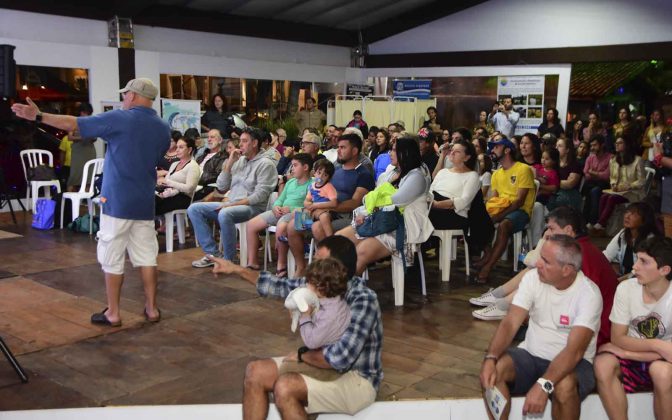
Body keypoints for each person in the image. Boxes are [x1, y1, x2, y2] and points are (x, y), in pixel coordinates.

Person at [12, 77, 170, 326]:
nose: (123, 99)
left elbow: (73, 123)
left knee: (111, 255)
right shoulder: (163, 127)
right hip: (144, 201)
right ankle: (152, 309)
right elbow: (157, 157)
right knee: (147, 256)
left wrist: (39, 116)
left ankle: (114, 312)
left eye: (125, 94)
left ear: (133, 95)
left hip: (117, 200)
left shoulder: (119, 118)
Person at [208, 235, 382, 419]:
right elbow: (278, 285)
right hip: (323, 366)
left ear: (338, 269)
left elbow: (340, 358)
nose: (312, 267)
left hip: (357, 379)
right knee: (255, 372)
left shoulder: (363, 299)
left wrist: (301, 355)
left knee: (285, 387)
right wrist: (236, 269)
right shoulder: (320, 281)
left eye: (318, 262)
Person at [479, 234, 603, 420]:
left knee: (564, 385)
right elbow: (510, 322)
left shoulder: (588, 295)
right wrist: (491, 357)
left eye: (546, 261)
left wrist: (544, 384)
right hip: (531, 355)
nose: (538, 263)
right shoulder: (532, 278)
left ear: (567, 270)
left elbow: (574, 352)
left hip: (574, 364)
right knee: (495, 371)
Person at [471, 207, 619, 350]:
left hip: (592, 333)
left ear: (568, 230)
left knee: (539, 278)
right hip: (588, 325)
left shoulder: (580, 255)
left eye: (552, 228)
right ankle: (502, 303)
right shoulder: (579, 248)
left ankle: (504, 306)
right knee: (538, 273)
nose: (547, 233)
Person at [594, 236, 672, 420]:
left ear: (664, 270)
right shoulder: (626, 288)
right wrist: (659, 346)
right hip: (641, 355)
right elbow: (618, 338)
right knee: (603, 364)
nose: (635, 267)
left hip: (656, 361)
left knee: (661, 372)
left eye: (644, 261)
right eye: (637, 259)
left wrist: (629, 353)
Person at [336, 137, 431, 275]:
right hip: (380, 222)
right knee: (338, 241)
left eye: (394, 150)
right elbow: (373, 198)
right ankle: (333, 285)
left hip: (400, 229)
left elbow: (395, 200)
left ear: (406, 153)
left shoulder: (417, 176)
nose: (389, 153)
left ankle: (343, 290)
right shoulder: (393, 173)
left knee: (360, 253)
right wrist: (365, 211)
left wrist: (373, 203)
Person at [287, 134, 374, 277]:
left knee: (317, 227)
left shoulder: (363, 174)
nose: (338, 150)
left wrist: (325, 207)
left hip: (347, 216)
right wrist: (313, 205)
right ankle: (301, 267)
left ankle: (332, 271)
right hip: (322, 211)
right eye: (338, 147)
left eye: (343, 147)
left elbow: (355, 203)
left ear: (354, 151)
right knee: (292, 226)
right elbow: (320, 190)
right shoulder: (335, 170)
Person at [189, 127, 277, 267]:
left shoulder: (266, 164)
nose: (240, 145)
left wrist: (232, 205)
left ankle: (229, 260)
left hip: (253, 208)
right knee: (194, 209)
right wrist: (230, 163)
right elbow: (221, 187)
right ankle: (213, 254)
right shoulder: (240, 160)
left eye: (244, 141)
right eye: (240, 141)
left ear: (254, 143)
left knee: (225, 213)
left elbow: (259, 196)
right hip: (232, 204)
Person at [474, 137, 534, 283]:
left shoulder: (523, 169)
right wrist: (488, 214)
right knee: (475, 217)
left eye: (496, 147)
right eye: (492, 147)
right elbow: (495, 200)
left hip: (520, 211)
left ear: (507, 150)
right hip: (503, 209)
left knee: (504, 225)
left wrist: (497, 217)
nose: (492, 150)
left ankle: (488, 266)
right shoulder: (496, 174)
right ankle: (488, 252)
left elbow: (519, 201)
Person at [244, 153, 312, 273]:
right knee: (251, 225)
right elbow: (280, 199)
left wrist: (290, 209)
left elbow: (309, 206)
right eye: (292, 165)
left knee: (281, 226)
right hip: (281, 212)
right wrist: (276, 207)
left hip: (299, 214)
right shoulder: (291, 183)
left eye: (295, 165)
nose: (292, 169)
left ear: (305, 167)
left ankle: (281, 265)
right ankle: (252, 262)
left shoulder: (312, 184)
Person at [288, 257, 351, 352]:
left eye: (309, 282)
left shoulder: (331, 314)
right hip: (323, 341)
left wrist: (305, 316)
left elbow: (311, 342)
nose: (306, 285)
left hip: (329, 352)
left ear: (321, 287)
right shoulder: (329, 298)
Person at [592, 137, 646, 233]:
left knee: (611, 199)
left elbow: (642, 181)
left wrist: (628, 186)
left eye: (620, 143)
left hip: (632, 191)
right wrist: (613, 184)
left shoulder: (638, 160)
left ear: (627, 145)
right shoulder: (614, 160)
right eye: (616, 143)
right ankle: (602, 225)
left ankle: (600, 224)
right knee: (604, 196)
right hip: (618, 190)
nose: (616, 145)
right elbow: (612, 177)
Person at [428, 139, 481, 233]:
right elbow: (430, 191)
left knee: (417, 215)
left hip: (455, 214)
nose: (452, 153)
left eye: (457, 152)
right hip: (433, 207)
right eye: (452, 150)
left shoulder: (472, 175)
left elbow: (464, 201)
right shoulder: (443, 172)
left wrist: (437, 205)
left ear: (466, 157)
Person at [603, 202, 660, 280]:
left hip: (643, 281)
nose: (627, 216)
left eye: (634, 214)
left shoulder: (651, 240)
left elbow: (641, 270)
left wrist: (619, 280)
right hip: (624, 279)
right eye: (627, 212)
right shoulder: (623, 234)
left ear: (644, 220)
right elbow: (607, 255)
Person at [155, 136, 200, 215]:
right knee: (148, 197)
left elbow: (189, 188)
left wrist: (168, 182)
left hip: (183, 198)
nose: (177, 150)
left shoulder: (193, 166)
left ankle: (147, 223)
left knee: (151, 203)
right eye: (177, 147)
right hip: (170, 193)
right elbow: (167, 183)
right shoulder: (174, 164)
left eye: (181, 147)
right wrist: (161, 184)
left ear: (189, 150)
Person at [64, 103, 98, 192]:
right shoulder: (74, 122)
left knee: (88, 179)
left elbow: (95, 138)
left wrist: (88, 136)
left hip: (89, 151)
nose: (87, 115)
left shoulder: (92, 122)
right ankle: (71, 203)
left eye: (89, 113)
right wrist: (83, 137)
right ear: (81, 112)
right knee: (75, 178)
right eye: (85, 113)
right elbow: (69, 137)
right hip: (78, 152)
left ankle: (86, 202)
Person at [582, 135, 612, 228]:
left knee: (595, 191)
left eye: (594, 145)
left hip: (605, 185)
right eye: (591, 146)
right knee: (589, 189)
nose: (592, 148)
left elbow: (607, 176)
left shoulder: (610, 157)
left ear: (602, 145)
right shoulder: (590, 158)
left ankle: (592, 221)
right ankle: (585, 221)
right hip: (591, 184)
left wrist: (593, 173)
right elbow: (586, 174)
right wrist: (598, 174)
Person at [547, 137, 583, 212]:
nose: (556, 148)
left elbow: (569, 184)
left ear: (567, 150)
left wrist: (552, 181)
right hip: (555, 191)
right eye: (556, 146)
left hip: (570, 193)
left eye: (560, 146)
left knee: (558, 200)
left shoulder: (575, 164)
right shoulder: (554, 163)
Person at [304, 159, 338, 237]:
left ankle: (330, 237)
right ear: (314, 173)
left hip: (327, 211)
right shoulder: (311, 186)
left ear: (329, 178)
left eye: (325, 175)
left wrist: (315, 206)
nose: (321, 176)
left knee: (324, 216)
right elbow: (307, 200)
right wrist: (308, 205)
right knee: (301, 214)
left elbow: (334, 203)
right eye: (319, 173)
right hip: (315, 210)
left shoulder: (329, 187)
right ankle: (305, 238)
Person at [193, 129, 228, 201]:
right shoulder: (201, 157)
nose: (209, 139)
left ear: (220, 140)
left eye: (212, 137)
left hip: (205, 188)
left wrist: (196, 178)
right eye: (208, 137)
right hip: (194, 185)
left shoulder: (223, 157)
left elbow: (217, 176)